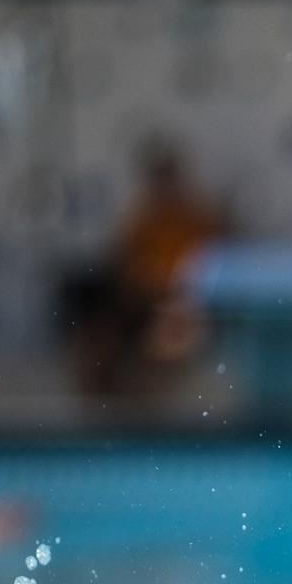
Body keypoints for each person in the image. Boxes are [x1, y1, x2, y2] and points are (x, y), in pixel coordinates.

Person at [60, 138, 223, 396]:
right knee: (101, 338)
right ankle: (104, 399)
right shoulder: (142, 221)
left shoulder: (198, 220)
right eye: (159, 181)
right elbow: (124, 266)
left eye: (168, 180)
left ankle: (151, 398)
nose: (164, 189)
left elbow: (213, 270)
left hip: (182, 304)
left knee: (170, 336)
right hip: (141, 303)